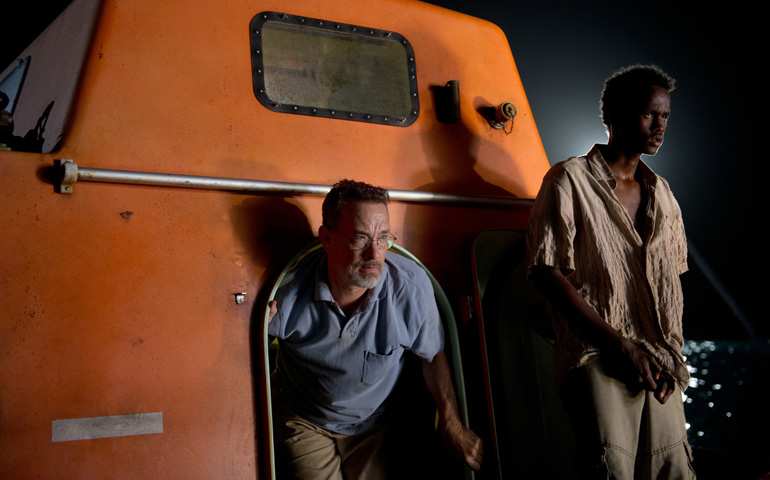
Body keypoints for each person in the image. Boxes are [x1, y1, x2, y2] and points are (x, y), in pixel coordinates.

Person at [526, 65, 695, 479]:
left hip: (658, 363)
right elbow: (546, 272)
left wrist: (665, 353)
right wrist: (621, 344)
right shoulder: (569, 180)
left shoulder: (664, 195)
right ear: (614, 117)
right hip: (598, 357)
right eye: (649, 114)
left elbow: (670, 280)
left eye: (666, 117)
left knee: (674, 469)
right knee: (610, 468)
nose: (660, 126)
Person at [267, 179, 482, 479]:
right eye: (360, 239)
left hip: (374, 425)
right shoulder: (286, 291)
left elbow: (432, 356)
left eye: (383, 239)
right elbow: (239, 354)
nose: (374, 255)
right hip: (303, 418)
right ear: (327, 239)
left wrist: (452, 424)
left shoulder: (412, 288)